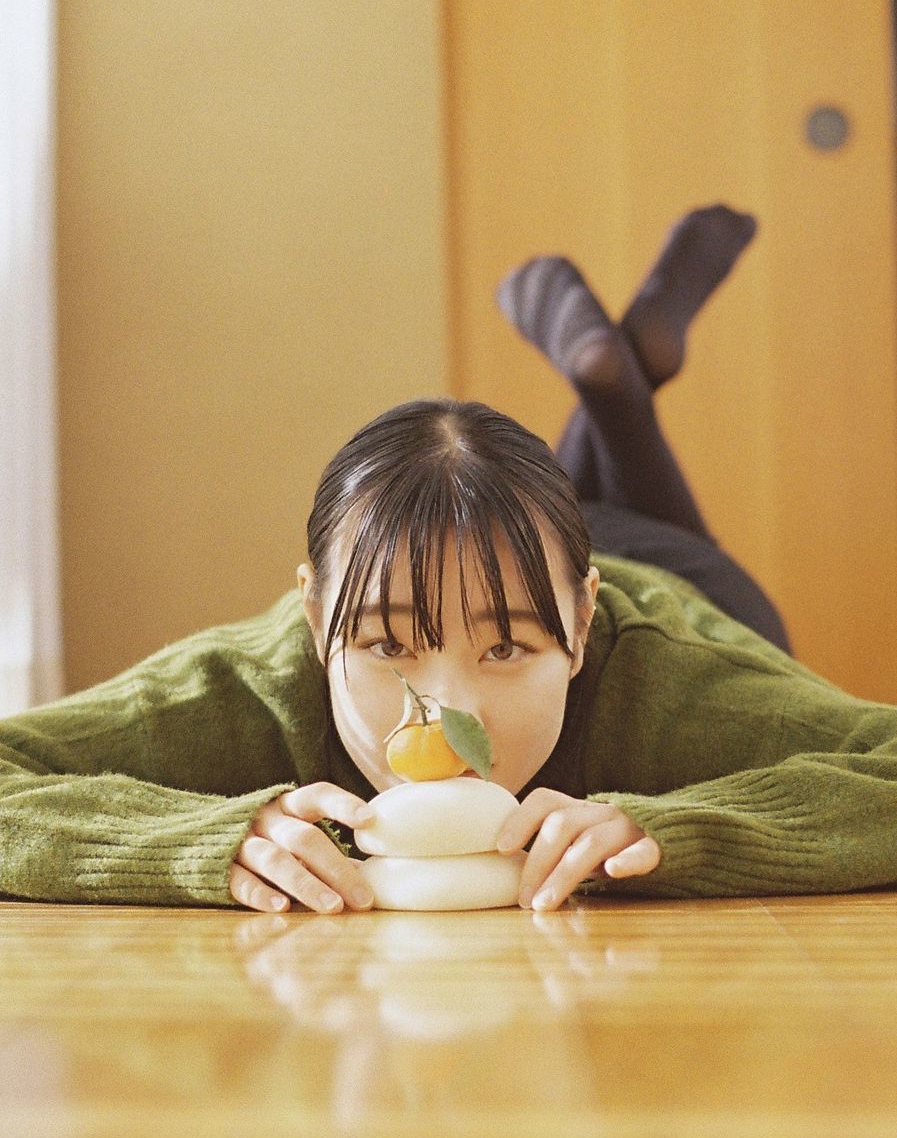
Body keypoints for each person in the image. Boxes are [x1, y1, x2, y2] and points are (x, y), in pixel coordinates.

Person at [2, 207, 896, 916]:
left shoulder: (667, 680)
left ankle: (615, 382)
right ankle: (612, 380)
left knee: (600, 521)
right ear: (314, 621)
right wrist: (203, 839)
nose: (447, 713)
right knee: (539, 514)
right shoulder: (246, 687)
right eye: (388, 647)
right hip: (531, 554)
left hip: (671, 573)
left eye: (503, 650)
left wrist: (677, 831)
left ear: (580, 628)